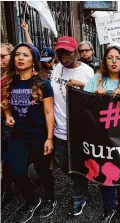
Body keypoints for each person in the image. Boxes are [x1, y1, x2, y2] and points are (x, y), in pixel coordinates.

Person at [84, 45, 120, 222]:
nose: (114, 61)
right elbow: (83, 102)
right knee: (105, 171)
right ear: (104, 61)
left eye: (118, 58)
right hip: (101, 136)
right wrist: (94, 95)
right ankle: (108, 208)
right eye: (110, 58)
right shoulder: (97, 79)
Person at [1, 43, 56, 222]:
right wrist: (8, 115)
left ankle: (50, 198)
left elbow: (49, 113)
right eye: (17, 54)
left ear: (33, 59)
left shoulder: (43, 84)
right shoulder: (10, 82)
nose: (20, 58)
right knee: (16, 172)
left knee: (43, 171)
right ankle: (33, 200)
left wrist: (49, 138)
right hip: (18, 136)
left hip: (39, 136)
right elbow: (6, 105)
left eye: (25, 55)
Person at [50, 36, 94, 216]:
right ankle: (82, 183)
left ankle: (79, 197)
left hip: (79, 130)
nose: (62, 56)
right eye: (59, 52)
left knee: (76, 165)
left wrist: (83, 86)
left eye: (67, 52)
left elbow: (96, 99)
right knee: (62, 163)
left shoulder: (88, 72)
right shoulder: (56, 69)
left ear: (76, 53)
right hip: (58, 128)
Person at [1, 43, 14, 207]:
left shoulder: (14, 77)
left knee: (6, 157)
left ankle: (6, 189)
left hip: (7, 121)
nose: (0, 60)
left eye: (2, 56)